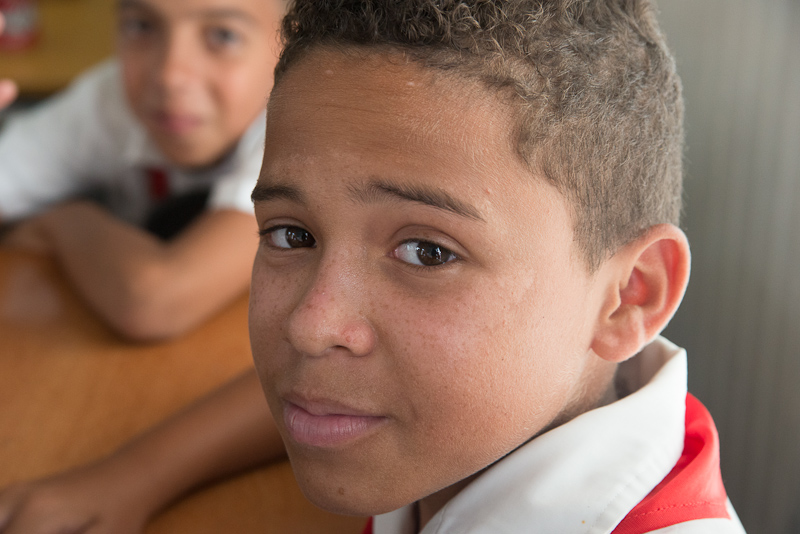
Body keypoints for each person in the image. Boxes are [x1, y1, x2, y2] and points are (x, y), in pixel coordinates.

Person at [0, 0, 749, 533]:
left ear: (628, 298)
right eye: (291, 234)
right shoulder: (483, 420)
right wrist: (138, 473)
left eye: (428, 252)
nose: (310, 325)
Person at [0, 0, 283, 341]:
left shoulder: (299, 130)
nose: (169, 76)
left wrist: (66, 219)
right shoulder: (109, 100)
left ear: (294, 42)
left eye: (223, 35)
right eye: (141, 26)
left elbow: (155, 302)